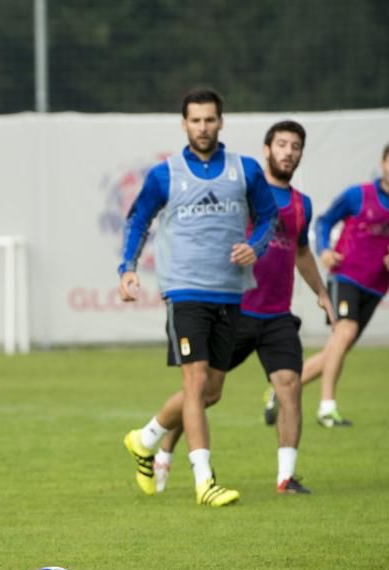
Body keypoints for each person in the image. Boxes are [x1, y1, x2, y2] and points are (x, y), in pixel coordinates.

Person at [151, 121, 335, 496]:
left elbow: (301, 252)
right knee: (204, 392)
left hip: (277, 316)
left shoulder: (302, 205)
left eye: (295, 146)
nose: (287, 152)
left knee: (289, 386)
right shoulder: (242, 193)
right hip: (234, 310)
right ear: (266, 150)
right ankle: (162, 445)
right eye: (281, 144)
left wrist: (321, 291)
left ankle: (286, 478)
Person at [118, 88, 277, 507]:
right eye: (196, 120)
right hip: (184, 291)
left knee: (210, 392)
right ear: (184, 124)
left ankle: (144, 438)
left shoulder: (245, 170)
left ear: (221, 121)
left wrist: (256, 247)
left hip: (229, 292)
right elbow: (138, 220)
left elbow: (268, 218)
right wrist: (127, 269)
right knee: (194, 382)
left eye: (210, 119)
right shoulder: (165, 174)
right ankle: (205, 480)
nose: (203, 127)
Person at [298, 139, 389, 427]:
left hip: (377, 286)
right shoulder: (358, 195)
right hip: (345, 275)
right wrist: (325, 251)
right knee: (345, 333)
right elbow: (324, 221)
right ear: (382, 165)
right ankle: (327, 407)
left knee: (337, 348)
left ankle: (282, 389)